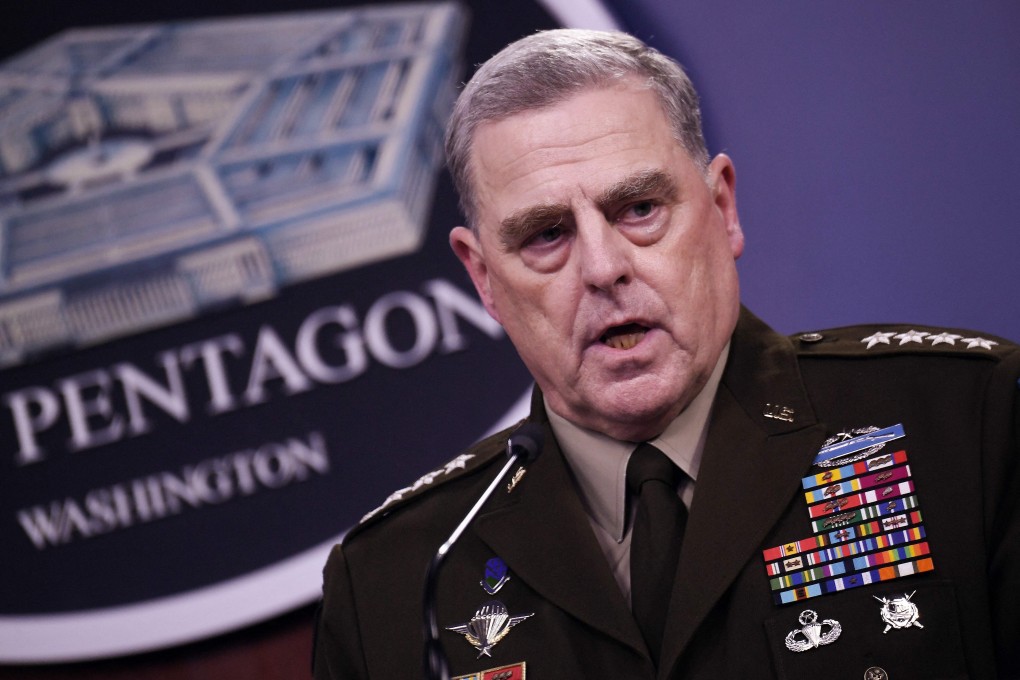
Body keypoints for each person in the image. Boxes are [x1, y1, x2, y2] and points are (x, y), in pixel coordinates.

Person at [313, 28, 1019, 679]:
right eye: (546, 234)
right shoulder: (396, 583)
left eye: (639, 209)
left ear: (723, 207)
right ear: (484, 279)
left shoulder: (967, 424)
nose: (602, 266)